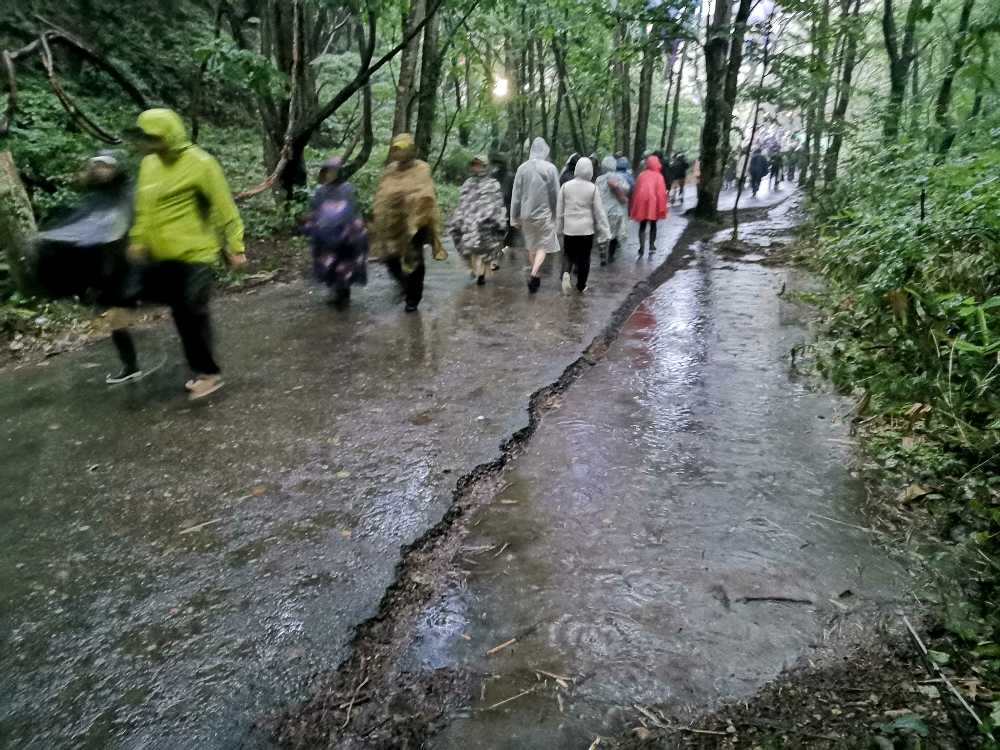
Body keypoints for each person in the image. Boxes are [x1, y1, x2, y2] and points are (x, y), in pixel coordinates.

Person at [126, 108, 245, 400]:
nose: (148, 145)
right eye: (145, 139)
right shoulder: (148, 165)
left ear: (168, 135)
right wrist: (137, 239)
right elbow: (143, 209)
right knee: (181, 314)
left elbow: (224, 208)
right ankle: (201, 368)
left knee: (193, 310)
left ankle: (209, 374)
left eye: (154, 138)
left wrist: (235, 247)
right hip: (163, 257)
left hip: (197, 254)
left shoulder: (201, 163)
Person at [35, 152, 142, 383]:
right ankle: (131, 365)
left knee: (120, 316)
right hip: (105, 269)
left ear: (115, 169)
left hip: (126, 264)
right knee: (115, 319)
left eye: (105, 166)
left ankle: (133, 365)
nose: (100, 170)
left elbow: (128, 221)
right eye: (96, 166)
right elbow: (87, 225)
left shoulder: (127, 192)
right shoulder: (96, 195)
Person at [371, 133, 447, 312]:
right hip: (393, 224)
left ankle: (413, 298)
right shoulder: (390, 170)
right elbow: (383, 195)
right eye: (395, 149)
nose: (398, 153)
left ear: (411, 150)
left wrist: (412, 202)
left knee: (414, 259)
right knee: (391, 258)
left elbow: (426, 194)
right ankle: (405, 285)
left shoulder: (422, 168)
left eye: (402, 149)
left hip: (416, 223)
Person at [302, 156, 368, 309]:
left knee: (344, 267)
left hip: (346, 236)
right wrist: (310, 225)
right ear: (323, 173)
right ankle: (336, 292)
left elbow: (353, 211)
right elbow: (315, 211)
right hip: (326, 237)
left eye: (334, 171)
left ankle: (343, 295)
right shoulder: (320, 191)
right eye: (328, 172)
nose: (331, 175)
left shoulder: (347, 189)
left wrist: (354, 229)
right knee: (329, 266)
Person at [510, 137, 560, 293]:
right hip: (544, 214)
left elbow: (516, 195)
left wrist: (514, 216)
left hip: (526, 215)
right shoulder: (550, 169)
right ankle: (533, 273)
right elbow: (555, 194)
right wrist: (557, 214)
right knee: (543, 246)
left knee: (532, 246)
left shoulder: (522, 169)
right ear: (545, 151)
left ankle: (536, 274)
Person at [447, 155, 507, 286]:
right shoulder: (468, 183)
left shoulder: (492, 184)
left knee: (485, 249)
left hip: (487, 223)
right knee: (468, 246)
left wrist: (498, 220)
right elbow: (463, 202)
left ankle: (481, 274)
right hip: (469, 221)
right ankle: (476, 270)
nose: (476, 167)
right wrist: (459, 217)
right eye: (474, 165)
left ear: (485, 166)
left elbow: (497, 203)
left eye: (479, 165)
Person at [556, 157, 610, 294]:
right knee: (584, 258)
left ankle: (566, 274)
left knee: (568, 254)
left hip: (569, 229)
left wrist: (558, 228)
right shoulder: (593, 188)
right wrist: (605, 231)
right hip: (586, 230)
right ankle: (581, 285)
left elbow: (559, 210)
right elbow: (599, 212)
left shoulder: (565, 187)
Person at [629, 154, 668, 257]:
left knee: (642, 224)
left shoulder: (641, 175)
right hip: (653, 203)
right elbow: (661, 192)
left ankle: (641, 247)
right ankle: (651, 245)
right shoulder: (659, 176)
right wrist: (662, 205)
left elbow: (636, 190)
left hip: (642, 202)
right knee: (653, 224)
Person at [595, 155, 629, 265]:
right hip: (615, 210)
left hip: (601, 210)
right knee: (614, 234)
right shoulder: (618, 178)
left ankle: (602, 256)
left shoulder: (599, 179)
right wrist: (623, 197)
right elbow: (626, 188)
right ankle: (610, 256)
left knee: (602, 233)